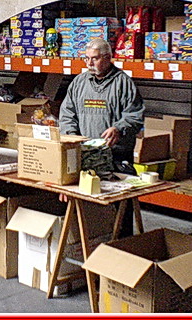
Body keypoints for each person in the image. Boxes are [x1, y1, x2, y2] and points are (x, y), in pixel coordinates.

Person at [58, 38, 145, 236]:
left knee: (120, 209)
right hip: (85, 156)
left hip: (115, 157)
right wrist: (72, 138)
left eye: (94, 59)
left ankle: (122, 245)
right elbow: (67, 114)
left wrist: (119, 128)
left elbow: (136, 116)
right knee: (88, 209)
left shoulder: (123, 83)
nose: (89, 64)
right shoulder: (79, 82)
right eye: (86, 58)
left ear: (107, 58)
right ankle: (94, 243)